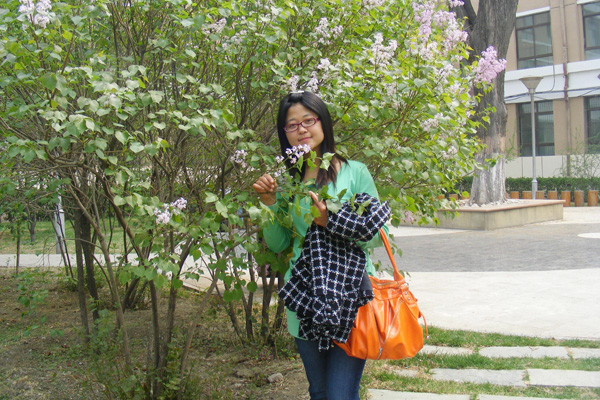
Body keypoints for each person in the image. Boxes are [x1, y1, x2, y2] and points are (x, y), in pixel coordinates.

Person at [252, 91, 388, 400]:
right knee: (320, 392)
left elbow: (379, 235)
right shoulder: (289, 182)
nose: (301, 129)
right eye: (292, 125)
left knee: (341, 394)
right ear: (285, 134)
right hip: (305, 296)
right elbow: (279, 243)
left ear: (322, 122)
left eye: (308, 120)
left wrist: (332, 222)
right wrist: (269, 202)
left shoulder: (354, 172)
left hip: (349, 297)